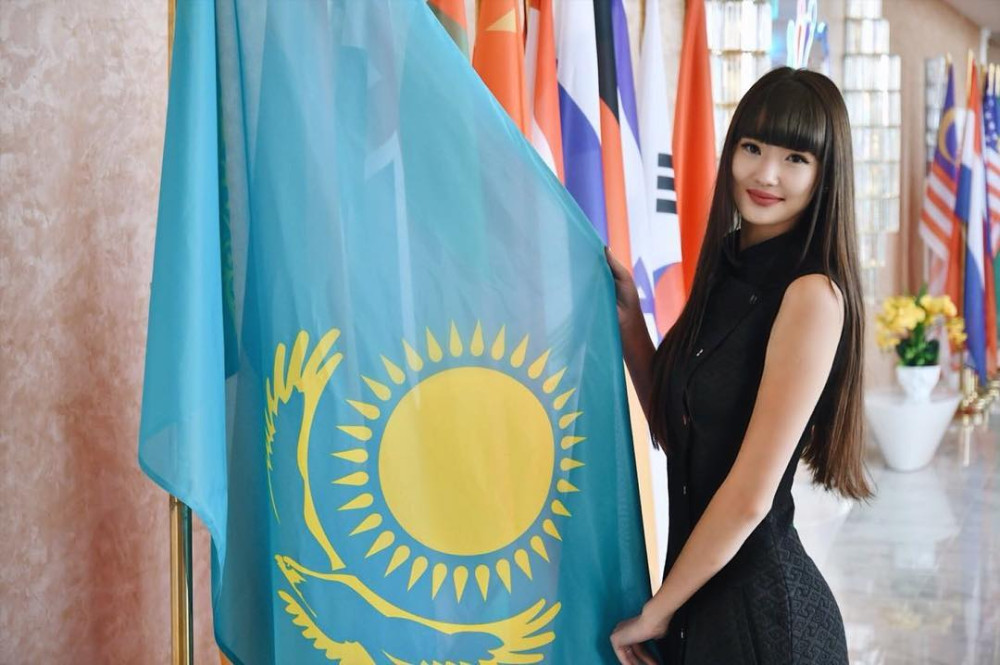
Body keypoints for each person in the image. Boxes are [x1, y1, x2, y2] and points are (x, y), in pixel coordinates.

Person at [606, 67, 872, 665]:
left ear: (825, 175)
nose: (765, 173)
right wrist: (628, 321)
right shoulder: (726, 267)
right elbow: (680, 432)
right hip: (697, 598)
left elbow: (752, 495)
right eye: (752, 147)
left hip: (762, 621)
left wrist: (658, 610)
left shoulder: (811, 295)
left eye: (795, 158)